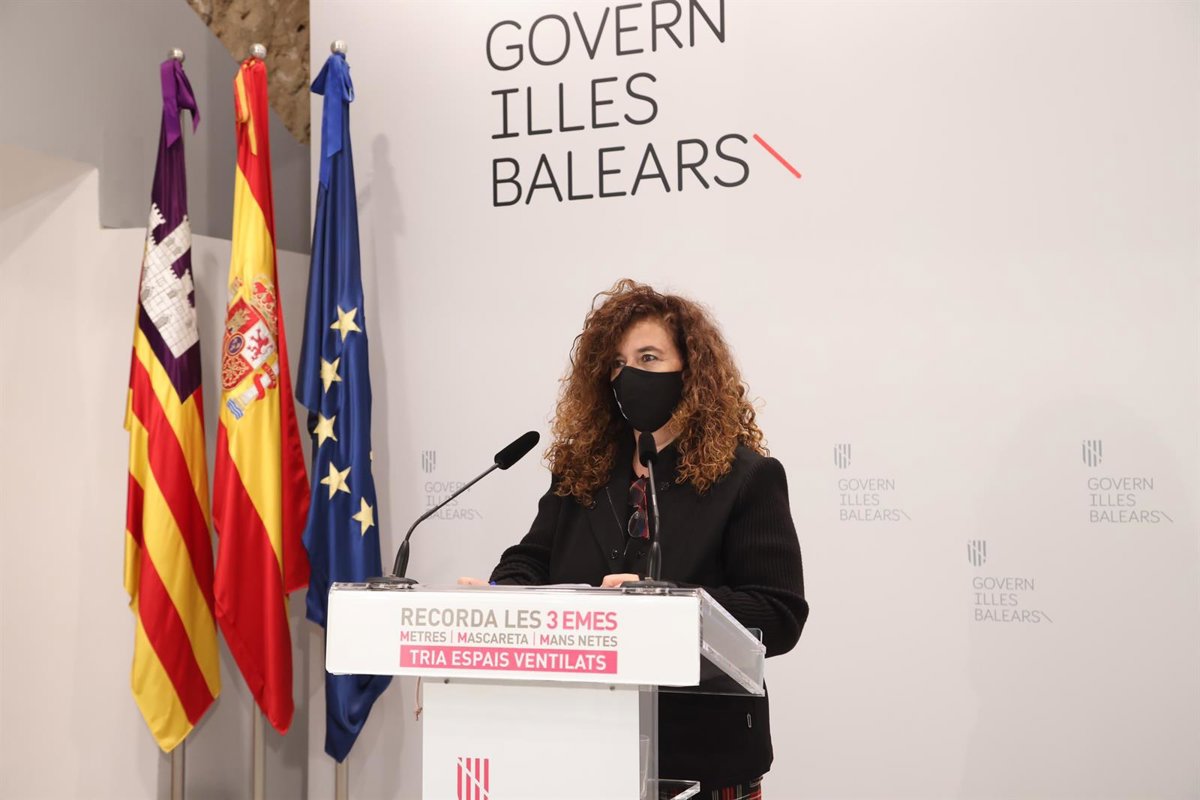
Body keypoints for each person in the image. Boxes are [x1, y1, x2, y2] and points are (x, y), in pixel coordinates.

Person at [461, 279, 808, 799]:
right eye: (618, 364)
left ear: (690, 371)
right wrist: (502, 597)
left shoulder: (746, 477)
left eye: (648, 358)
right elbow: (531, 558)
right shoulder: (583, 468)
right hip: (583, 745)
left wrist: (668, 604)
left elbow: (778, 614)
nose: (630, 376)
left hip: (702, 757)